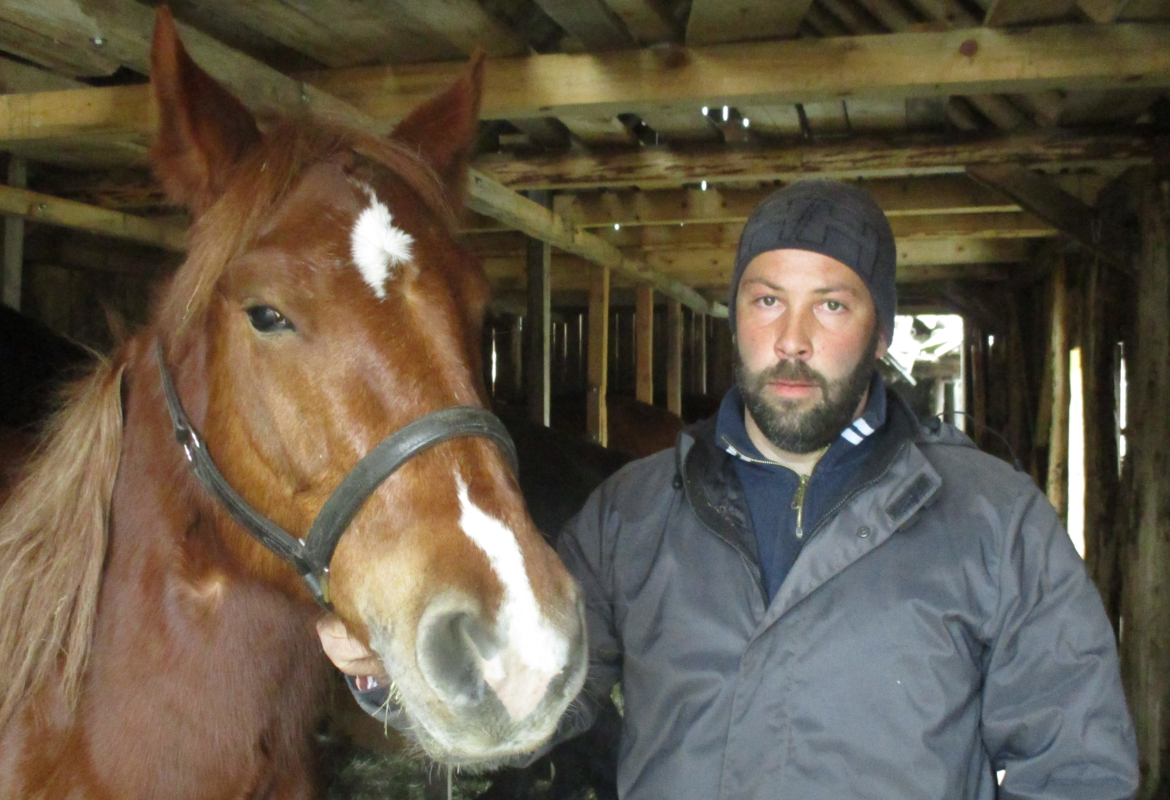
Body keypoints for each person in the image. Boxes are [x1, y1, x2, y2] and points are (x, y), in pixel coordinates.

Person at [318, 180, 1140, 799]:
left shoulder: (994, 520)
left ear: (882, 331)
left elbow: (1078, 767)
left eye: (832, 305)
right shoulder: (633, 513)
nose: (792, 339)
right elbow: (532, 700)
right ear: (736, 316)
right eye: (767, 300)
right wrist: (395, 675)